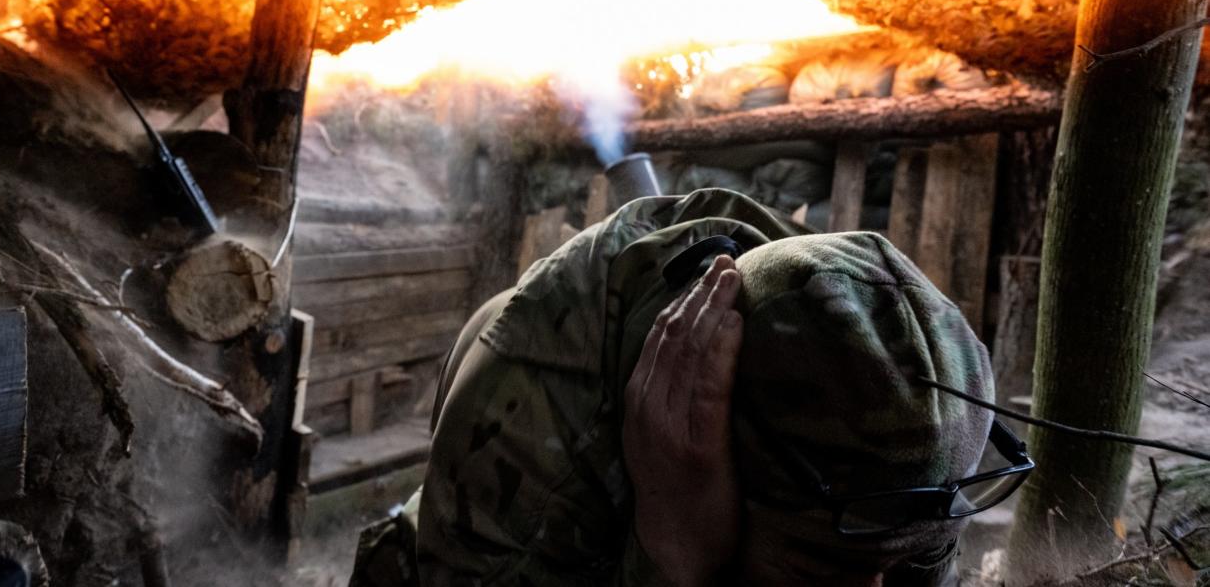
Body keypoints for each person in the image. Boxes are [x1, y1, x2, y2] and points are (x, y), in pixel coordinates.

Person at [362, 188, 1025, 586]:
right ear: (704, 447)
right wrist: (670, 555)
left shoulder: (874, 393)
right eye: (809, 568)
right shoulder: (532, 437)